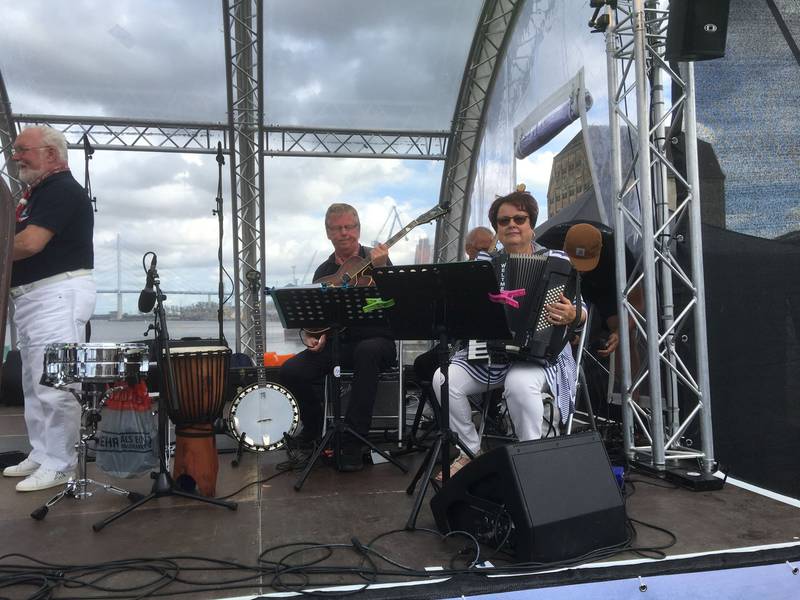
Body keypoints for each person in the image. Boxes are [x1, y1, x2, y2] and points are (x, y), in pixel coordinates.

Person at [431, 188, 585, 477]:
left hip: (542, 355)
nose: (512, 225)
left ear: (531, 224)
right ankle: (470, 451)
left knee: (519, 383)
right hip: (493, 354)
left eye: (519, 219)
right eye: (504, 221)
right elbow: (464, 311)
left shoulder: (557, 260)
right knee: (443, 378)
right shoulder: (484, 265)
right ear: (497, 229)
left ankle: (531, 461)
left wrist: (573, 314)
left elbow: (581, 309)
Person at [3, 126, 96, 492]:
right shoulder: (39, 193)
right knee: (33, 382)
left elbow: (30, 242)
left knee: (56, 383)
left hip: (56, 294)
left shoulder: (61, 190)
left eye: (23, 150)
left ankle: (60, 462)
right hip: (35, 298)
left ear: (52, 154)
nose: (16, 157)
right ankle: (43, 452)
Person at [280, 203, 397, 472]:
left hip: (377, 341)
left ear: (358, 229)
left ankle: (354, 440)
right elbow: (315, 321)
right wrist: (313, 336)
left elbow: (394, 303)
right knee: (291, 371)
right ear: (328, 233)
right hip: (338, 344)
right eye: (337, 228)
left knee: (367, 352)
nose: (344, 233)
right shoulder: (323, 271)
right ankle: (313, 430)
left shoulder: (378, 259)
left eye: (349, 227)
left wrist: (381, 270)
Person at [412, 226, 496, 385]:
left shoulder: (497, 271)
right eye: (483, 250)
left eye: (492, 249)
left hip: (487, 342)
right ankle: (441, 401)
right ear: (468, 250)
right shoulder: (456, 274)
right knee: (422, 364)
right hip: (459, 340)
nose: (488, 254)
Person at [562, 223, 642, 358]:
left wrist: (619, 334)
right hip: (567, 286)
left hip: (606, 286)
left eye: (585, 265)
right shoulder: (551, 244)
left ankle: (625, 371)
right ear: (563, 248)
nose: (580, 270)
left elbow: (638, 303)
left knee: (624, 338)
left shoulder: (618, 253)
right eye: (575, 263)